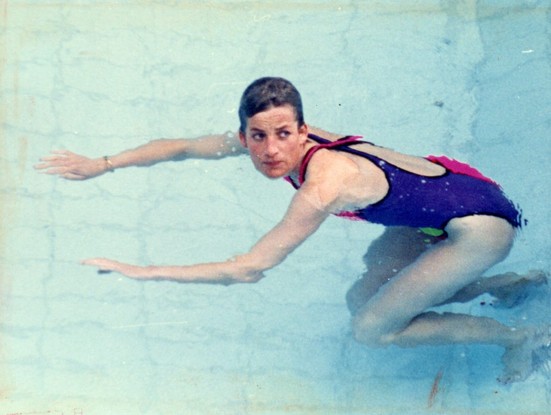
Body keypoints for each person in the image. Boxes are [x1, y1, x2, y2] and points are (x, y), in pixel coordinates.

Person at [35, 77, 548, 383]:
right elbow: (183, 147)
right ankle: (513, 285)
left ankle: (519, 338)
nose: (271, 151)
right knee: (363, 295)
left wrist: (141, 272)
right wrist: (102, 164)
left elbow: (249, 268)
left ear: (304, 130)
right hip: (450, 194)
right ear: (244, 135)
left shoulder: (323, 184)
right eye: (257, 138)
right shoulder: (270, 139)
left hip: (479, 229)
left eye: (284, 135)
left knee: (372, 329)